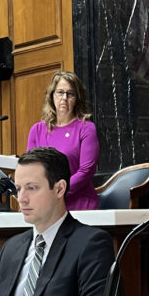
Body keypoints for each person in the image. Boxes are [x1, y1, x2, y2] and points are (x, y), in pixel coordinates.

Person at [0, 147, 113, 296]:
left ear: (59, 189)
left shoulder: (91, 244)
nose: (21, 198)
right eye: (18, 188)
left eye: (31, 188)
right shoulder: (10, 248)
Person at [26, 70, 101, 211]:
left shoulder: (86, 128)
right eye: (60, 92)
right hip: (45, 206)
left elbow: (85, 171)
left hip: (79, 205)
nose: (64, 98)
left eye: (70, 93)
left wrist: (55, 193)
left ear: (77, 98)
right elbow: (30, 169)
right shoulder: (37, 130)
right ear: (52, 96)